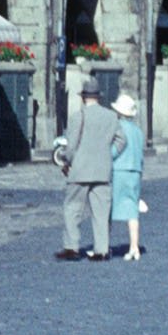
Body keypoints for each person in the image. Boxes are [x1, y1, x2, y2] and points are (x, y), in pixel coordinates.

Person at [56, 81, 125, 260]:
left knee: (72, 209)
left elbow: (71, 146)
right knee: (101, 212)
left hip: (80, 170)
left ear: (83, 97)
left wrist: (67, 161)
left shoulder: (78, 116)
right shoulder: (111, 117)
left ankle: (71, 247)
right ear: (98, 97)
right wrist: (108, 155)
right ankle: (101, 250)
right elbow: (121, 140)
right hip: (103, 171)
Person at [110, 92, 146, 261]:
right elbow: (141, 155)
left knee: (107, 208)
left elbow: (114, 150)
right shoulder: (138, 131)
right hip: (135, 172)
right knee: (132, 210)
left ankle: (103, 246)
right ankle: (134, 247)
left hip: (119, 170)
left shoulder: (116, 127)